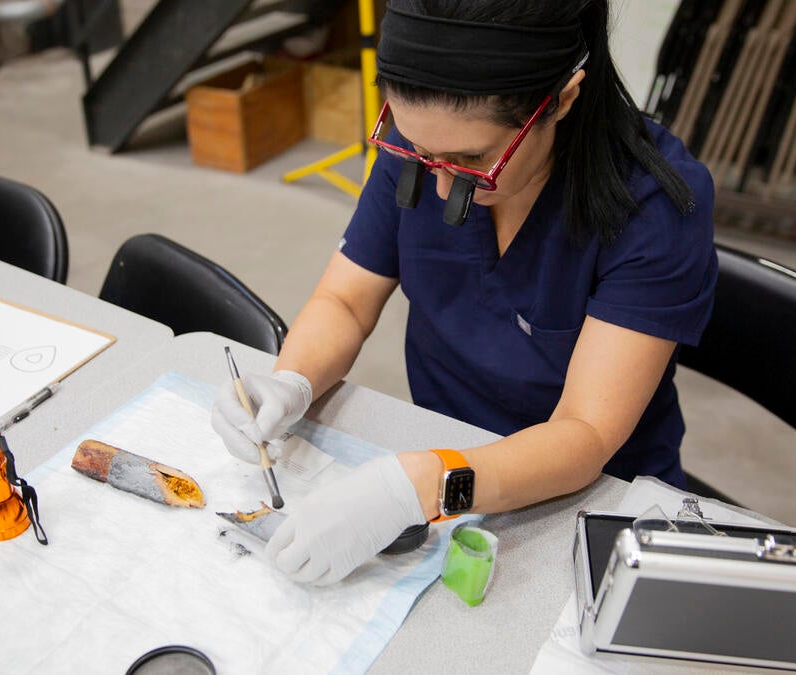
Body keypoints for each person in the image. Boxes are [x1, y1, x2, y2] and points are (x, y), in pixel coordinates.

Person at [212, 0, 717, 586]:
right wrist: (291, 382)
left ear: (564, 99)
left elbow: (586, 433)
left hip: (586, 505)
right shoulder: (422, 149)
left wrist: (421, 486)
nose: (442, 182)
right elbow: (345, 301)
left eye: (473, 159)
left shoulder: (652, 206)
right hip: (433, 459)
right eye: (422, 153)